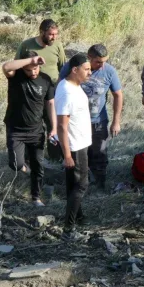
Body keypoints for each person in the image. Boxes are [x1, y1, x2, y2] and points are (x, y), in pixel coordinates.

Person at [59, 44, 123, 189]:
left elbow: (118, 95)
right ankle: (78, 185)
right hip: (75, 123)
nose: (102, 65)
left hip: (98, 121)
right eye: (98, 62)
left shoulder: (109, 71)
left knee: (99, 154)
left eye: (104, 61)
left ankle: (100, 185)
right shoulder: (72, 68)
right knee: (78, 155)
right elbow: (61, 89)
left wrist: (116, 121)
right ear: (89, 58)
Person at [2, 53, 56, 206]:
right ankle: (28, 171)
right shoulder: (15, 76)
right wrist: (31, 61)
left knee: (38, 164)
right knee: (16, 164)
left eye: (36, 68)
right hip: (16, 129)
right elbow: (6, 66)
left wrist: (54, 127)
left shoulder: (45, 80)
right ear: (22, 67)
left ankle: (36, 198)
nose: (33, 72)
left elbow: (50, 104)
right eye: (29, 70)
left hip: (36, 131)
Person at [16, 19, 66, 161]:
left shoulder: (57, 45)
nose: (54, 37)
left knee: (53, 122)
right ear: (42, 32)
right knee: (33, 123)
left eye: (56, 34)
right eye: (50, 34)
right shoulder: (26, 45)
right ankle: (30, 157)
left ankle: (55, 156)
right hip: (32, 91)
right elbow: (17, 66)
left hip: (53, 90)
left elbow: (63, 68)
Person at [55, 54, 92, 241]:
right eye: (86, 69)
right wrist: (67, 154)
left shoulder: (73, 86)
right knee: (81, 185)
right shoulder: (67, 92)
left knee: (73, 184)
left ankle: (78, 216)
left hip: (80, 143)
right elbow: (62, 125)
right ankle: (69, 230)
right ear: (75, 70)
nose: (90, 73)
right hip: (75, 146)